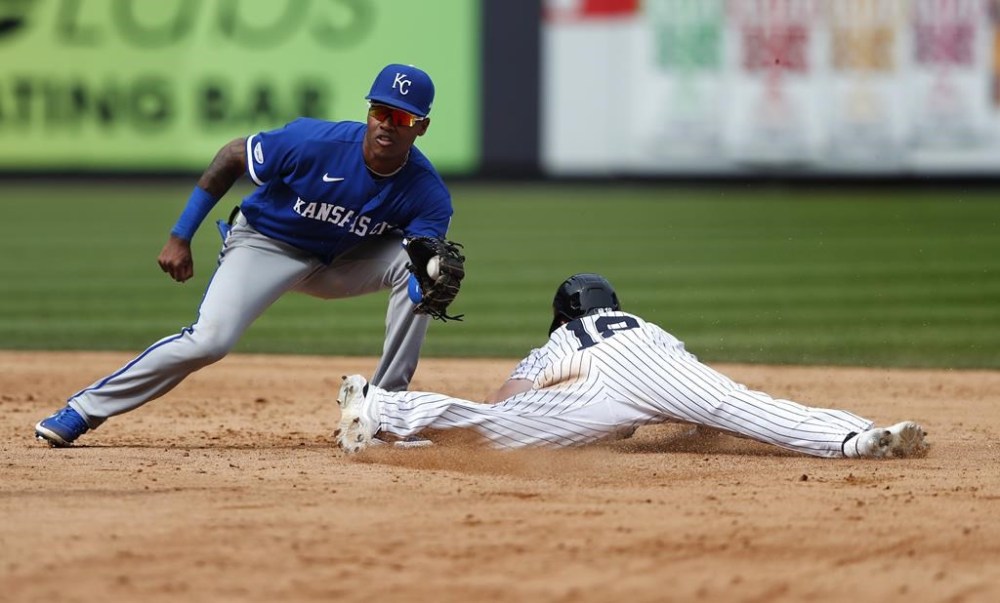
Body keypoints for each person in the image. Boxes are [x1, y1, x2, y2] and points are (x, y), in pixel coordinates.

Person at [35, 63, 456, 447]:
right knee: (210, 342)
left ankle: (381, 413)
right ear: (368, 111)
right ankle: (81, 410)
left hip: (339, 263)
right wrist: (180, 235)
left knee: (422, 266)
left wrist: (426, 282)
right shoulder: (314, 142)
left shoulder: (428, 192)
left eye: (403, 118)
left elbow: (423, 260)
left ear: (422, 127)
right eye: (381, 111)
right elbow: (232, 156)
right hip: (266, 244)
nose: (388, 124)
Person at [334, 273, 929, 459]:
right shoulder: (644, 324)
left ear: (562, 313)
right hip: (658, 369)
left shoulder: (562, 338)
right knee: (752, 408)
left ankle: (379, 404)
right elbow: (697, 396)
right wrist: (694, 426)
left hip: (592, 385)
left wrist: (537, 398)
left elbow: (505, 397)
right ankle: (857, 436)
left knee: (494, 428)